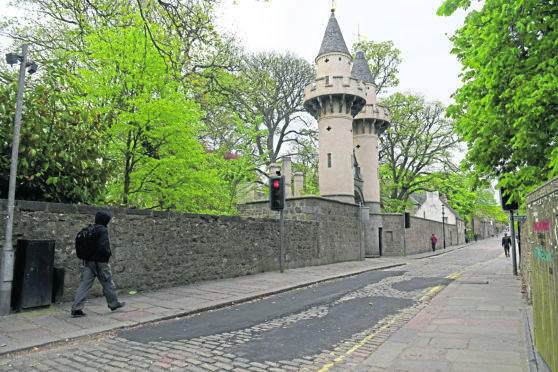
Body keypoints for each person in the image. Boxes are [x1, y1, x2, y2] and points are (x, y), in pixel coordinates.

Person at [71, 210, 125, 317]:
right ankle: (113, 304)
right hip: (100, 262)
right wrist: (107, 255)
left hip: (89, 261)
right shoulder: (103, 230)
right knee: (108, 282)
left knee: (84, 284)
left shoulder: (92, 228)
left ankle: (76, 309)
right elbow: (101, 246)